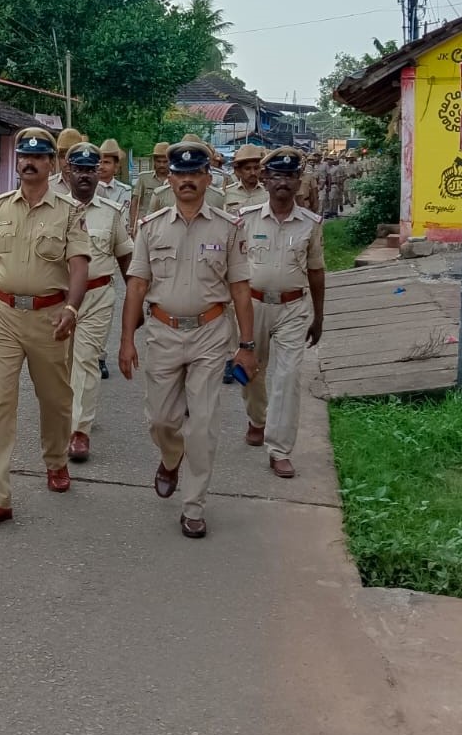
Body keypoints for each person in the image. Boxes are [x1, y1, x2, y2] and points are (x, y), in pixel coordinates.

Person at [117, 140, 255, 539]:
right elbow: (137, 286)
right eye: (181, 174)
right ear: (171, 179)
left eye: (196, 174)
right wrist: (127, 340)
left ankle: (194, 505)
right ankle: (170, 456)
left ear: (208, 179)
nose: (188, 181)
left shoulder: (228, 228)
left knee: (204, 423)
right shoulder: (150, 227)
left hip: (211, 334)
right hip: (162, 332)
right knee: (162, 420)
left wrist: (246, 346)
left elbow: (241, 290)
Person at [0, 127, 91, 529]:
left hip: (49, 317)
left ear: (51, 164)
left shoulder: (70, 211)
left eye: (38, 156)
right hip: (2, 314)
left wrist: (72, 308)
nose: (29, 161)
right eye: (23, 154)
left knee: (55, 400)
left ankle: (56, 459)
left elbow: (79, 266)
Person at [239, 147, 325, 480]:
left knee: (287, 379)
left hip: (293, 307)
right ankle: (257, 419)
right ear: (265, 179)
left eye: (290, 176)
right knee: (251, 371)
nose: (283, 183)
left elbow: (316, 272)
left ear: (299, 181)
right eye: (276, 175)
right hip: (253, 305)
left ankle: (280, 449)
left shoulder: (311, 224)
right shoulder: (246, 219)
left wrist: (319, 317)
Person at [62, 142, 134, 464]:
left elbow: (126, 260)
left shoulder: (112, 213)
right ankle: (66, 417)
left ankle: (80, 431)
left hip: (98, 297)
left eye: (91, 169)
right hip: (59, 298)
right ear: (68, 172)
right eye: (79, 169)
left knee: (86, 360)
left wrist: (136, 304)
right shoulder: (54, 210)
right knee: (61, 364)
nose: (85, 176)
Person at [130, 142, 173, 233]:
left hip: (168, 226)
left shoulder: (175, 180)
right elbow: (135, 202)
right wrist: (133, 225)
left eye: (165, 161)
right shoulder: (144, 178)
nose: (162, 165)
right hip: (145, 225)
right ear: (154, 161)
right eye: (158, 161)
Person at [223, 143, 269, 215]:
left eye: (256, 168)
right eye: (247, 169)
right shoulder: (226, 193)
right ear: (238, 170)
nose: (253, 173)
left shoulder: (268, 192)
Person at [96, 139, 133, 209]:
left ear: (116, 166)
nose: (101, 167)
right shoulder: (88, 187)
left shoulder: (124, 190)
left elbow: (122, 215)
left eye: (106, 162)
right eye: (99, 162)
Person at [50, 127, 86, 196]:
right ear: (58, 158)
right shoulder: (48, 186)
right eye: (63, 157)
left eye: (71, 157)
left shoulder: (94, 186)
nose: (67, 162)